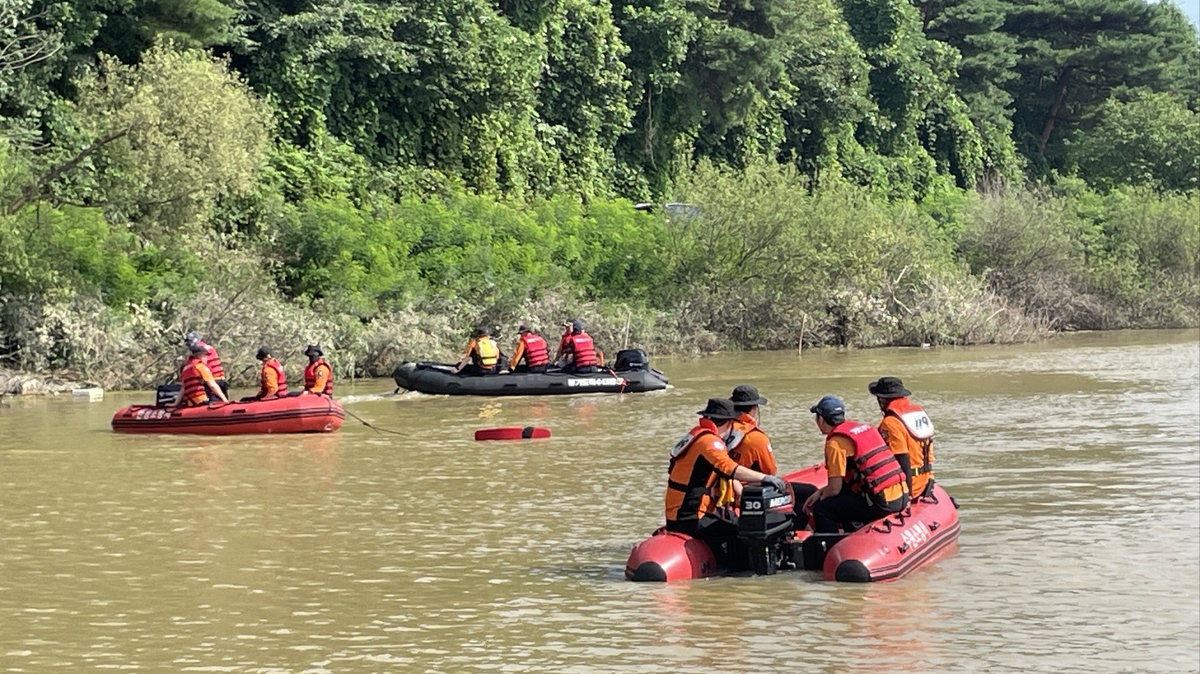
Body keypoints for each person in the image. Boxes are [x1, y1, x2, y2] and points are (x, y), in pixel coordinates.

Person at [666, 398, 788, 561]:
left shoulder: (698, 434)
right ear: (730, 422)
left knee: (736, 520)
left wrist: (744, 498)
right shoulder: (710, 443)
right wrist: (766, 478)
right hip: (690, 516)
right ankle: (741, 570)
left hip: (680, 512)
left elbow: (725, 474)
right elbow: (730, 469)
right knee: (745, 532)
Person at [802, 395, 909, 534]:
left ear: (821, 419)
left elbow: (835, 489)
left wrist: (818, 500)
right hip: (901, 495)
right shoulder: (863, 429)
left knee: (822, 509)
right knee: (844, 498)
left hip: (881, 503)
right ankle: (852, 532)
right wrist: (819, 492)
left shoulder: (835, 444)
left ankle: (828, 548)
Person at [869, 376, 936, 497]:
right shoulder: (917, 414)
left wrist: (907, 495)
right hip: (926, 482)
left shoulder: (890, 422)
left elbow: (902, 459)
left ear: (882, 400)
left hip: (911, 486)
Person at [180, 342, 227, 406]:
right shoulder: (200, 366)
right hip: (202, 401)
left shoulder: (185, 368)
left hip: (191, 402)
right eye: (204, 356)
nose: (206, 358)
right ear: (198, 356)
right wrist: (225, 400)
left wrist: (175, 404)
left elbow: (183, 389)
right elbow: (212, 385)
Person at [184, 331, 228, 398]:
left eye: (190, 342)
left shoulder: (201, 351)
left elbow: (199, 366)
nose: (189, 344)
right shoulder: (209, 348)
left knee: (216, 403)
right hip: (221, 380)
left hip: (213, 381)